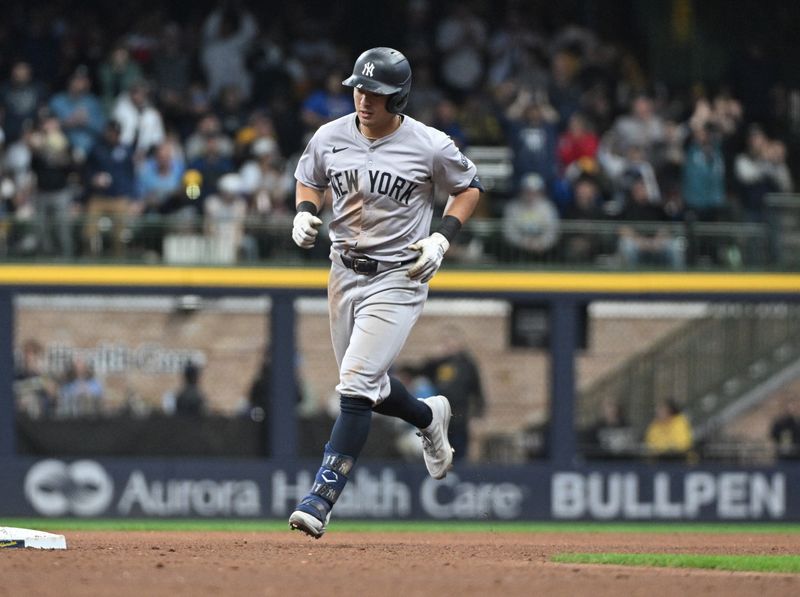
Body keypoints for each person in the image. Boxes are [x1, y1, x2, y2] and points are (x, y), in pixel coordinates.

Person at [288, 47, 482, 538]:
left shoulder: (429, 144)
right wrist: (304, 212)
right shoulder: (330, 135)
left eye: (374, 92)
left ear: (399, 96)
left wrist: (442, 237)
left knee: (354, 384)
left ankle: (321, 497)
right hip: (343, 272)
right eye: (358, 88)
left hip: (400, 274)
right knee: (368, 388)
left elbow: (469, 186)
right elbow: (308, 180)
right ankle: (427, 416)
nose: (363, 98)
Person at [415, 326, 485, 461]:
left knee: (459, 454)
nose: (448, 344)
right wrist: (432, 359)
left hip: (460, 418)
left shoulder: (467, 364)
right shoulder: (437, 364)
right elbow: (420, 374)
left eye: (451, 340)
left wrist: (477, 417)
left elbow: (478, 393)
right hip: (438, 419)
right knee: (437, 455)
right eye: (445, 341)